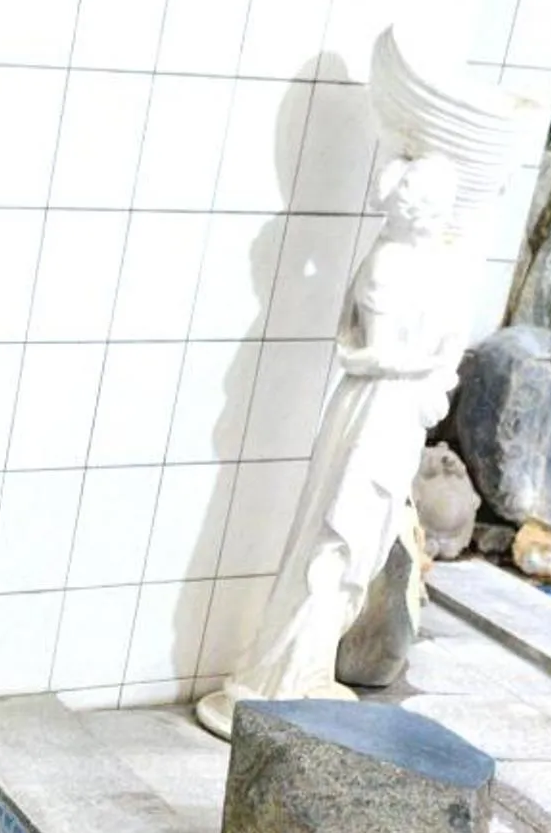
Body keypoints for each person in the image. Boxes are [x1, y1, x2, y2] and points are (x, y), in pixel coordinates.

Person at [197, 153, 467, 738]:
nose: (440, 216)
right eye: (435, 206)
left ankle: (309, 669)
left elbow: (441, 346)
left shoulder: (431, 264)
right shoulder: (390, 264)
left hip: (397, 411)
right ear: (416, 209)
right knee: (337, 540)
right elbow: (374, 352)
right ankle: (281, 674)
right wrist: (425, 364)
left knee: (360, 549)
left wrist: (434, 368)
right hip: (372, 411)